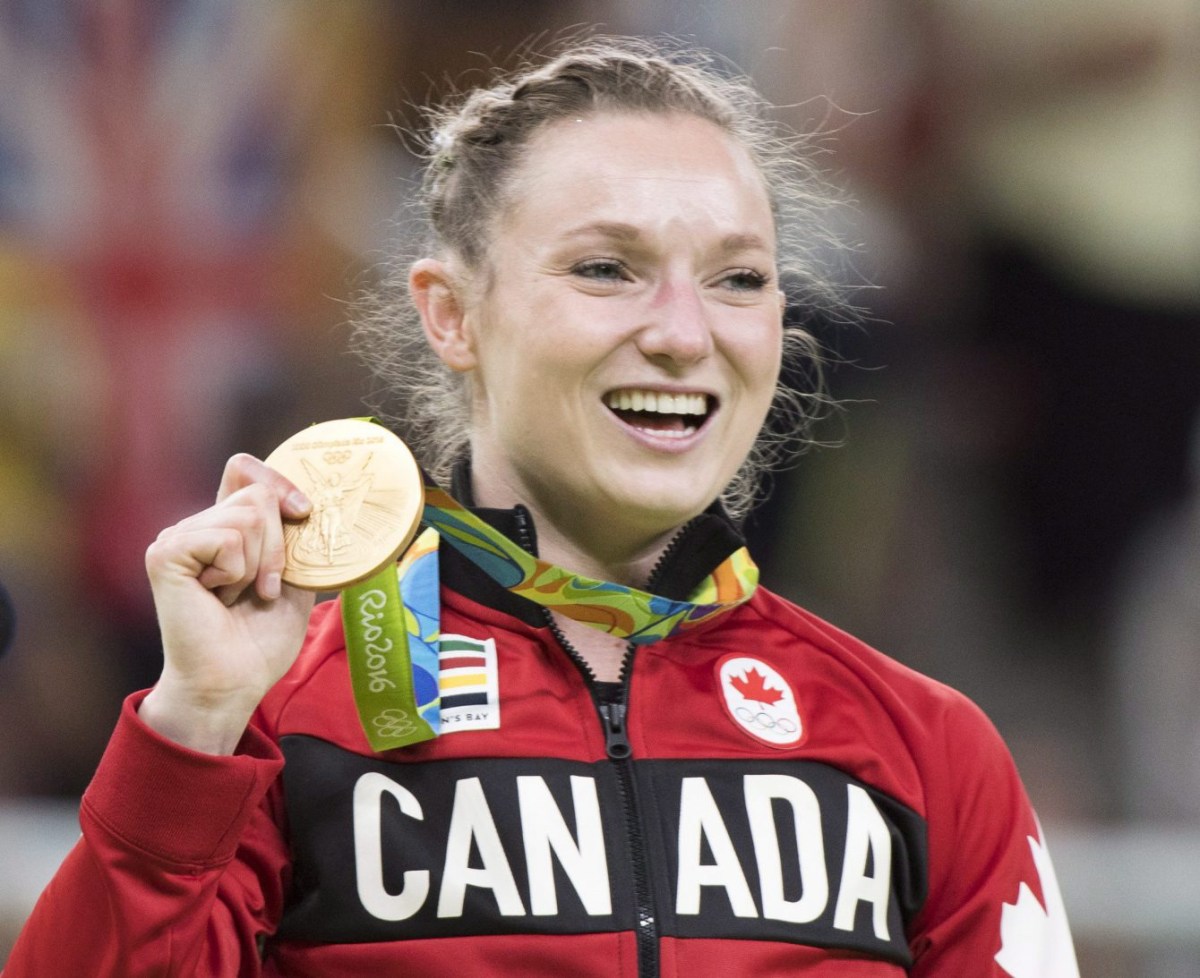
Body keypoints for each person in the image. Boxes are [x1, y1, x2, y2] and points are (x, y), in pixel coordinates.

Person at [5, 36, 1079, 977]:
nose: (683, 332)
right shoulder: (278, 722)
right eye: (607, 268)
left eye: (739, 279)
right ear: (453, 315)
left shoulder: (928, 749)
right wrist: (192, 725)